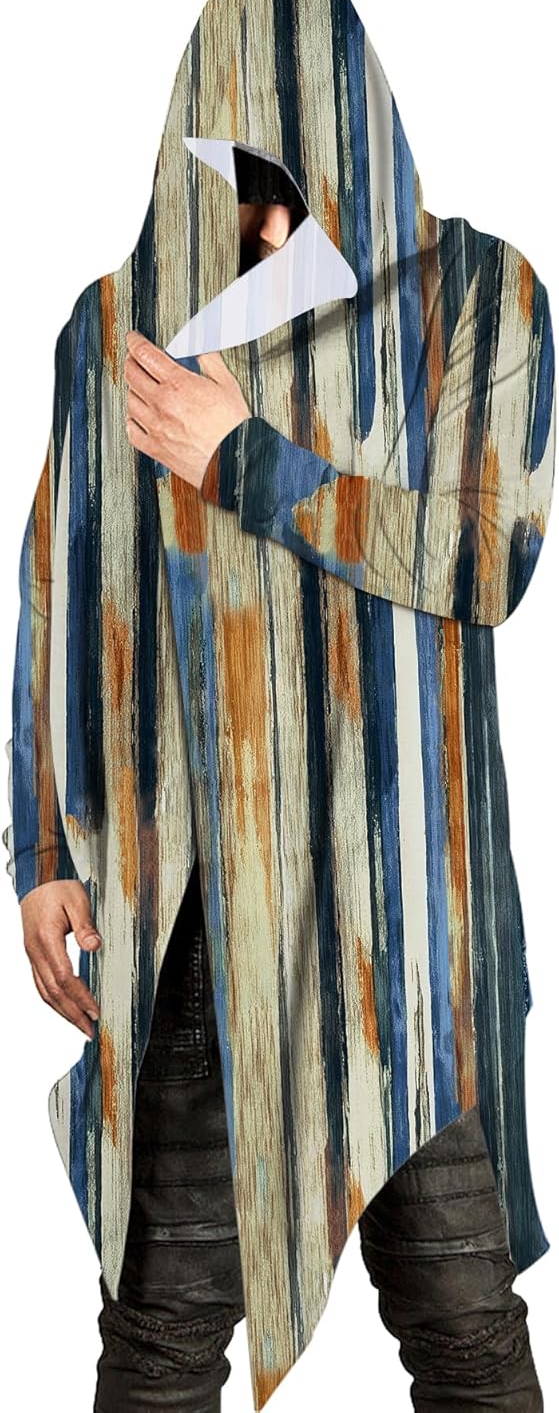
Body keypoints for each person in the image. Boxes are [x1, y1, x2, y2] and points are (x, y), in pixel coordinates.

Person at [88, 149, 543, 1411]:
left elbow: (485, 557)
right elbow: (86, 586)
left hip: (412, 921)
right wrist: (45, 850)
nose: (274, 229)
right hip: (209, 915)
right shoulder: (152, 314)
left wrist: (242, 455)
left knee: (465, 1326)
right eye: (249, 193)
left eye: (295, 189)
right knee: (164, 1332)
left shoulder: (476, 290)